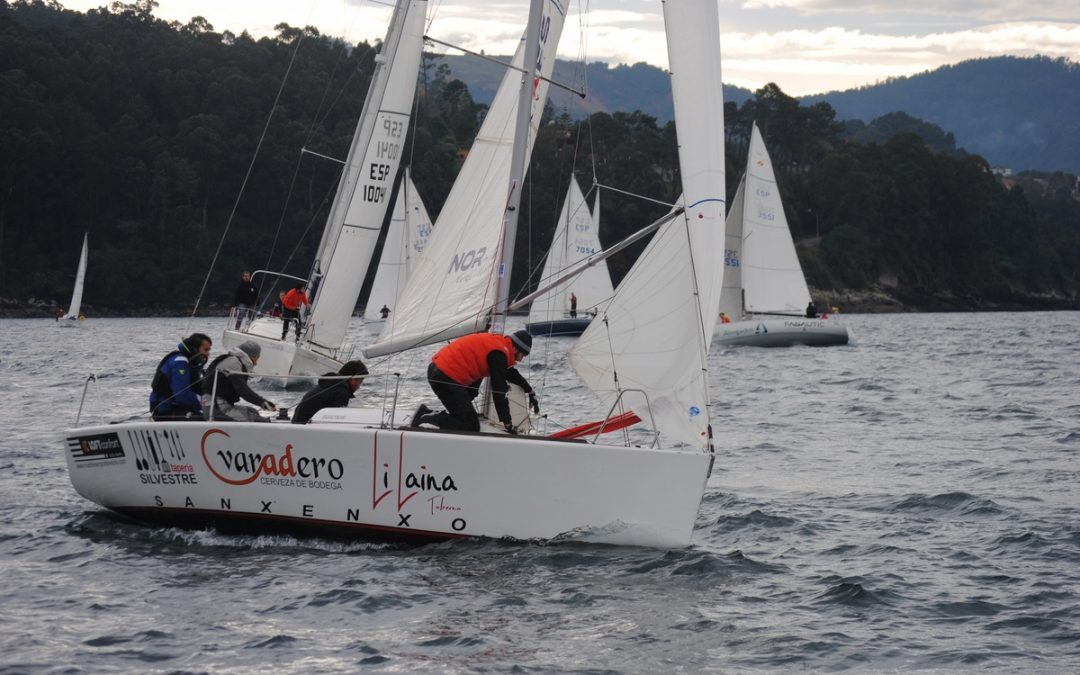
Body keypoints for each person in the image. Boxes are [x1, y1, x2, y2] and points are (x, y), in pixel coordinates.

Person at [412, 330, 539, 434]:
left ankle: (427, 412)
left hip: (441, 372)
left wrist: (530, 390)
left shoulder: (500, 346)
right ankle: (427, 417)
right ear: (516, 348)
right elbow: (498, 390)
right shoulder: (499, 354)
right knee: (471, 426)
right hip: (444, 376)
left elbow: (509, 373)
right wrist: (507, 422)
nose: (521, 360)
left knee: (470, 398)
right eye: (523, 355)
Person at [201, 341, 276, 422]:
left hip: (223, 405)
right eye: (256, 358)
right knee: (260, 421)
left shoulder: (235, 361)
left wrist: (263, 403)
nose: (256, 363)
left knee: (253, 412)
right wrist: (263, 403)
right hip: (215, 408)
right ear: (251, 356)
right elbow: (242, 389)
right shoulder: (233, 363)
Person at [150, 333, 212, 421]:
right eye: (206, 350)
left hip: (180, 408)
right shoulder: (180, 363)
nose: (208, 354)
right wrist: (207, 404)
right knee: (206, 420)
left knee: (214, 416)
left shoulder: (192, 363)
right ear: (195, 349)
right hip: (165, 411)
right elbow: (181, 395)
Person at [291, 360, 368, 425]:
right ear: (352, 380)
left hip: (297, 423)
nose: (359, 387)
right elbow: (334, 421)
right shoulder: (340, 392)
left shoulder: (329, 384)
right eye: (360, 382)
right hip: (305, 428)